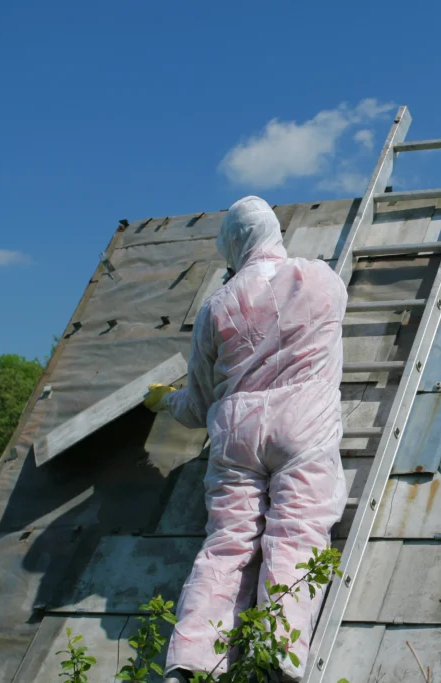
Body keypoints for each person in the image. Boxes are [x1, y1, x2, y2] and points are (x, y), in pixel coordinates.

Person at [144, 196, 348, 682]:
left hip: (236, 432)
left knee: (228, 545)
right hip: (303, 424)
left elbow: (197, 405)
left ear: (232, 245)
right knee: (297, 534)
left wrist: (163, 402)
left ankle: (191, 664)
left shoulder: (218, 305)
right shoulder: (322, 279)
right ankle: (278, 656)